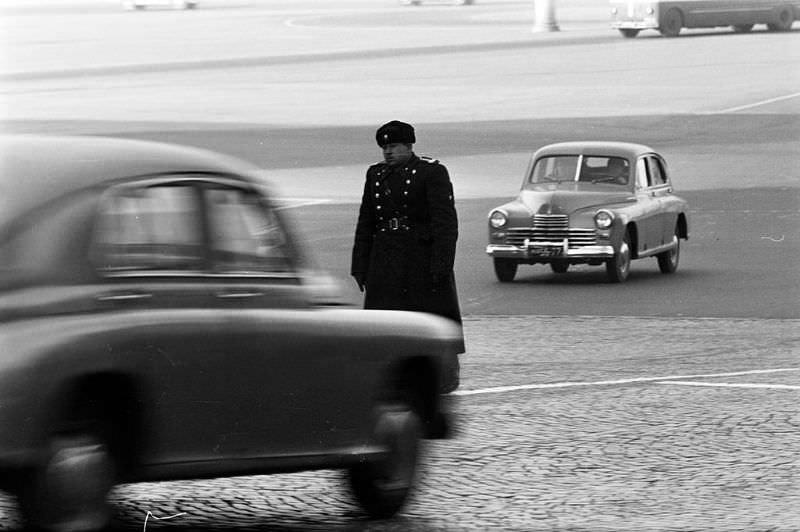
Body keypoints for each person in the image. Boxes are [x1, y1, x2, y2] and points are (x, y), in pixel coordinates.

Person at [351, 120, 464, 386]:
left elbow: (445, 223)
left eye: (393, 146)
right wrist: (360, 265)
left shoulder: (430, 172)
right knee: (385, 321)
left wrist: (441, 265)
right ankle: (390, 374)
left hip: (420, 260)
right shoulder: (375, 175)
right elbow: (366, 222)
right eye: (385, 147)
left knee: (432, 320)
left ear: (409, 146)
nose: (388, 152)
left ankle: (444, 374)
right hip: (385, 259)